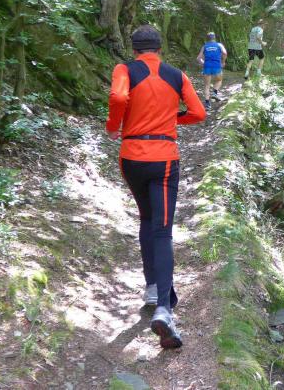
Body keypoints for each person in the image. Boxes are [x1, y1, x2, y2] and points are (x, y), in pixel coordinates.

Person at [106, 25, 206, 349]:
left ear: (134, 49)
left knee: (146, 219)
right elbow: (198, 113)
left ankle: (152, 288)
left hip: (131, 156)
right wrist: (173, 120)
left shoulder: (124, 70)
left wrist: (114, 125)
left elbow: (118, 96)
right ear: (160, 48)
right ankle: (164, 307)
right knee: (162, 230)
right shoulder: (176, 75)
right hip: (163, 159)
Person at [196, 32, 227, 109]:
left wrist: (204, 63)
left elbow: (198, 58)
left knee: (207, 85)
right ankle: (214, 93)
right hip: (217, 66)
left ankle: (207, 104)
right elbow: (224, 53)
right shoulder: (219, 45)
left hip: (207, 67)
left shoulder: (204, 46)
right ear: (214, 37)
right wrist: (223, 62)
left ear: (207, 38)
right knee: (219, 80)